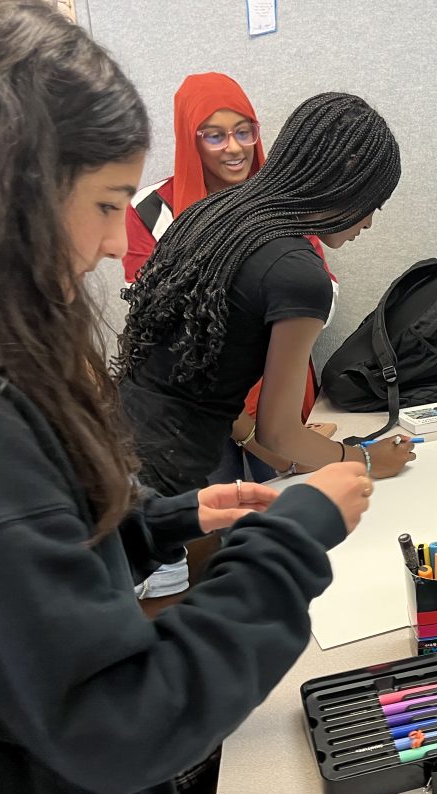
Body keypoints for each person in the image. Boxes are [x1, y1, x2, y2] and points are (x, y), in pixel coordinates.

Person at [0, 1, 372, 794]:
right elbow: (123, 720)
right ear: (4, 191)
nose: (113, 245)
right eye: (104, 205)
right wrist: (295, 541)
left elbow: (22, 576)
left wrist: (161, 522)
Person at [116, 92, 415, 499]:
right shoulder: (299, 274)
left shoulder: (213, 216)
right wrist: (365, 459)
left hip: (114, 446)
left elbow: (201, 366)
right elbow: (280, 432)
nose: (369, 222)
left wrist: (289, 450)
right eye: (373, 204)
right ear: (347, 187)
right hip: (163, 481)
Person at [122, 71, 331, 487]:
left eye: (243, 131)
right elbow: (164, 330)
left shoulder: (285, 200)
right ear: (190, 139)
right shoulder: (150, 212)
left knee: (297, 518)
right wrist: (251, 434)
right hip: (198, 412)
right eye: (214, 136)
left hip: (282, 402)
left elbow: (310, 298)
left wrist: (278, 431)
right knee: (214, 528)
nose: (234, 148)